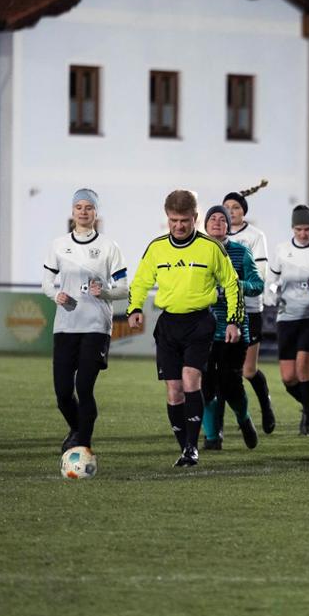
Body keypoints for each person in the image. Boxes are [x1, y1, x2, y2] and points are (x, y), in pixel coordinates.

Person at [127, 190, 242, 467]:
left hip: (200, 323)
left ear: (195, 218)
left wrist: (233, 320)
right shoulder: (156, 248)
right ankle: (185, 447)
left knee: (191, 380)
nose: (178, 226)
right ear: (167, 218)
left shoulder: (211, 248)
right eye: (173, 220)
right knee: (174, 390)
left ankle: (192, 448)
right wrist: (135, 308)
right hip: (168, 325)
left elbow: (231, 283)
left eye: (184, 221)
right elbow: (140, 281)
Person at [42, 188, 128, 454]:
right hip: (65, 326)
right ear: (72, 211)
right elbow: (46, 283)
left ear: (95, 213)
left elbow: (124, 288)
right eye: (79, 207)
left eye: (88, 207)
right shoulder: (58, 245)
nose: (83, 211)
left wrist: (104, 292)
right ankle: (77, 429)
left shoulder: (109, 247)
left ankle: (83, 445)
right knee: (63, 394)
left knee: (84, 387)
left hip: (96, 326)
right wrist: (56, 295)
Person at [200, 205, 257, 451]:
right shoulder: (197, 251)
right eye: (212, 218)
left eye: (222, 219)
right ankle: (212, 437)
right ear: (205, 224)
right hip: (202, 330)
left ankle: (244, 418)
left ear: (229, 226)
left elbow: (257, 284)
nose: (217, 222)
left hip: (234, 330)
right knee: (204, 387)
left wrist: (235, 285)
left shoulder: (241, 252)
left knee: (230, 385)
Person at [223, 180, 275, 434]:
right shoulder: (213, 235)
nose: (231, 212)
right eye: (227, 207)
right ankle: (224, 426)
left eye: (235, 207)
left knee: (248, 370)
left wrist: (235, 285)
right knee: (222, 369)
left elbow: (261, 275)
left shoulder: (255, 236)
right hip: (220, 310)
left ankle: (265, 405)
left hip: (250, 308)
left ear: (244, 211)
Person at [269, 205, 309, 436]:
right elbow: (272, 280)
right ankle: (308, 405)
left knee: (304, 369)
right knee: (288, 378)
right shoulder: (282, 250)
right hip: (287, 317)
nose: (303, 234)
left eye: (307, 229)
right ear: (292, 228)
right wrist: (271, 292)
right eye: (298, 229)